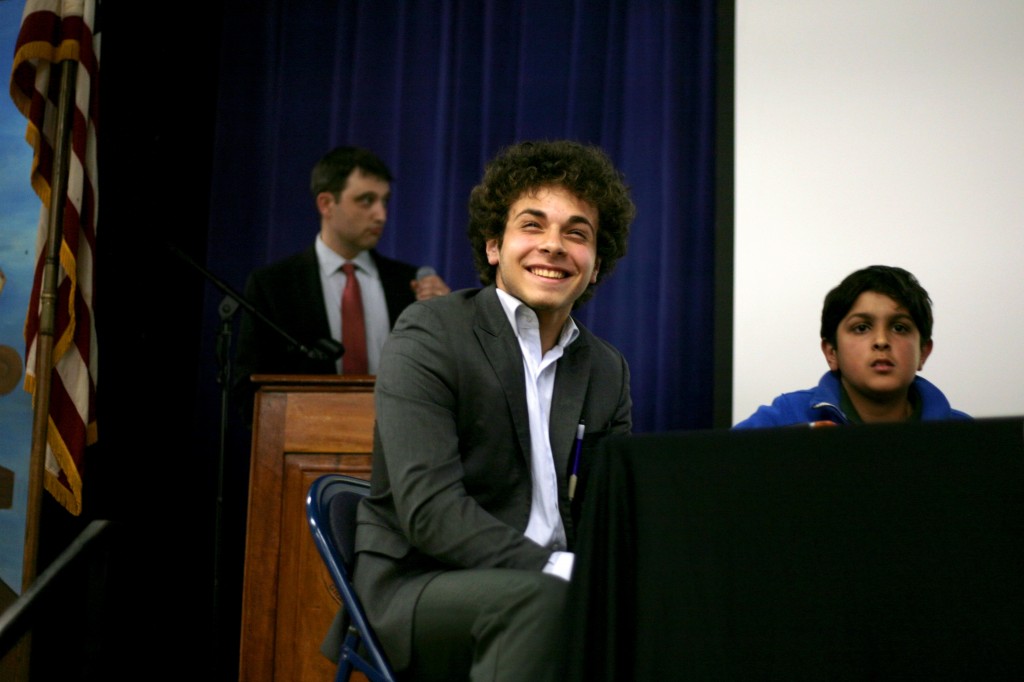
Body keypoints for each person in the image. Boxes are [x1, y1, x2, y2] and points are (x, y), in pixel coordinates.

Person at [325, 139, 636, 681]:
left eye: (577, 233)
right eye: (533, 226)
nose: (554, 246)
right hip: (423, 584)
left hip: (556, 585)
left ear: (597, 263)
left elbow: (607, 517)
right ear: (495, 245)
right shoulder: (431, 333)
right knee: (544, 603)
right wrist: (559, 569)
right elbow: (430, 511)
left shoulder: (606, 369)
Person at [234, 145, 450, 397]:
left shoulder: (409, 285)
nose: (381, 215)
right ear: (326, 204)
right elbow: (248, 390)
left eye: (385, 201)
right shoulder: (274, 286)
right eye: (366, 200)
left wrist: (447, 320)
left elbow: (442, 381)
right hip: (305, 433)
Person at [734, 265, 971, 428]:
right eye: (861, 328)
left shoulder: (965, 435)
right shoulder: (784, 420)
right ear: (831, 352)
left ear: (923, 352)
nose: (881, 341)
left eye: (899, 328)